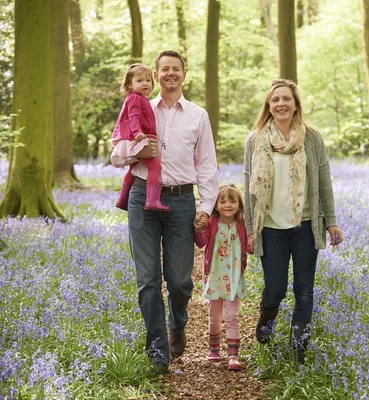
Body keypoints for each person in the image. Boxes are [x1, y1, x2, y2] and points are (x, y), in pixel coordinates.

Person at [110, 50, 218, 374]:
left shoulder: (198, 115)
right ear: (156, 76)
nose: (170, 73)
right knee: (147, 281)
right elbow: (116, 152)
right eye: (164, 69)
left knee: (181, 281)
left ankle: (178, 322)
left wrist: (206, 208)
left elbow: (208, 166)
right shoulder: (138, 105)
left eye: (176, 69)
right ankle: (157, 351)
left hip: (183, 202)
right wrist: (136, 150)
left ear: (184, 74)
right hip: (142, 199)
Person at [243, 78, 344, 364]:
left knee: (304, 289)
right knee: (274, 289)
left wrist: (331, 221)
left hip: (306, 225)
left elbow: (324, 181)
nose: (281, 104)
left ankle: (299, 349)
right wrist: (251, 230)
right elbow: (248, 186)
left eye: (286, 99)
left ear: (296, 104)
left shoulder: (312, 138)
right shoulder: (255, 140)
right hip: (271, 227)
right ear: (269, 106)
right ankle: (266, 323)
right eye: (275, 100)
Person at [193, 183, 253, 371]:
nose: (228, 205)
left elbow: (250, 249)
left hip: (234, 278)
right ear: (216, 206)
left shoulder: (242, 226)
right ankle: (214, 348)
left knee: (233, 315)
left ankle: (233, 355)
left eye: (232, 201)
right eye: (223, 201)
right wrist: (198, 228)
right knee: (215, 316)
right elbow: (202, 242)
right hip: (215, 276)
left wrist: (253, 240)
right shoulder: (212, 223)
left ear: (239, 205)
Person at [112, 63, 170, 212]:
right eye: (139, 81)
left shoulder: (140, 98)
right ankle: (152, 200)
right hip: (134, 137)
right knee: (155, 166)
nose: (145, 84)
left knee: (133, 167)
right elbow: (133, 117)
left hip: (136, 136)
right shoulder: (135, 99)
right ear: (129, 85)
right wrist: (137, 132)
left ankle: (122, 199)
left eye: (148, 80)